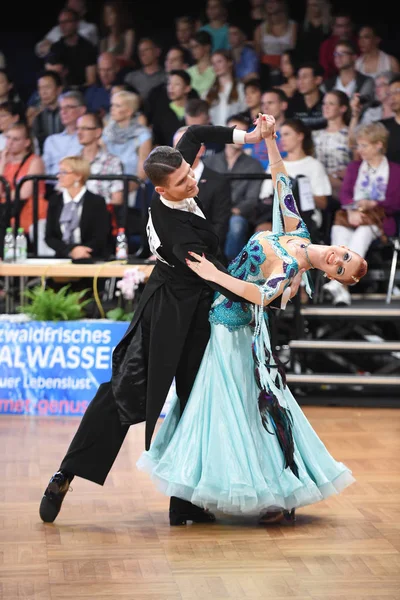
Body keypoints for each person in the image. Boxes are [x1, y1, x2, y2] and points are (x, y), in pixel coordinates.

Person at [136, 114, 367, 525]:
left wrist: (214, 275)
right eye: (346, 256)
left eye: (339, 270)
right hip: (218, 317)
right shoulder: (296, 229)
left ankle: (237, 491)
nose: (338, 259)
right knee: (218, 409)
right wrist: (270, 140)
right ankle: (197, 498)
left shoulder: (292, 269)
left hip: (230, 328)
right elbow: (281, 180)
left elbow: (261, 295)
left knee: (223, 411)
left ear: (330, 277)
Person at [39, 120, 264, 525]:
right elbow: (217, 274)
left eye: (190, 171)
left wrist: (245, 137)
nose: (192, 182)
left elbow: (195, 132)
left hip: (198, 312)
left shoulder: (180, 166)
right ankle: (65, 473)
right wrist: (267, 295)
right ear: (162, 191)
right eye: (181, 182)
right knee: (122, 394)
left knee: (197, 402)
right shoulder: (176, 231)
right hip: (165, 314)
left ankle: (185, 500)